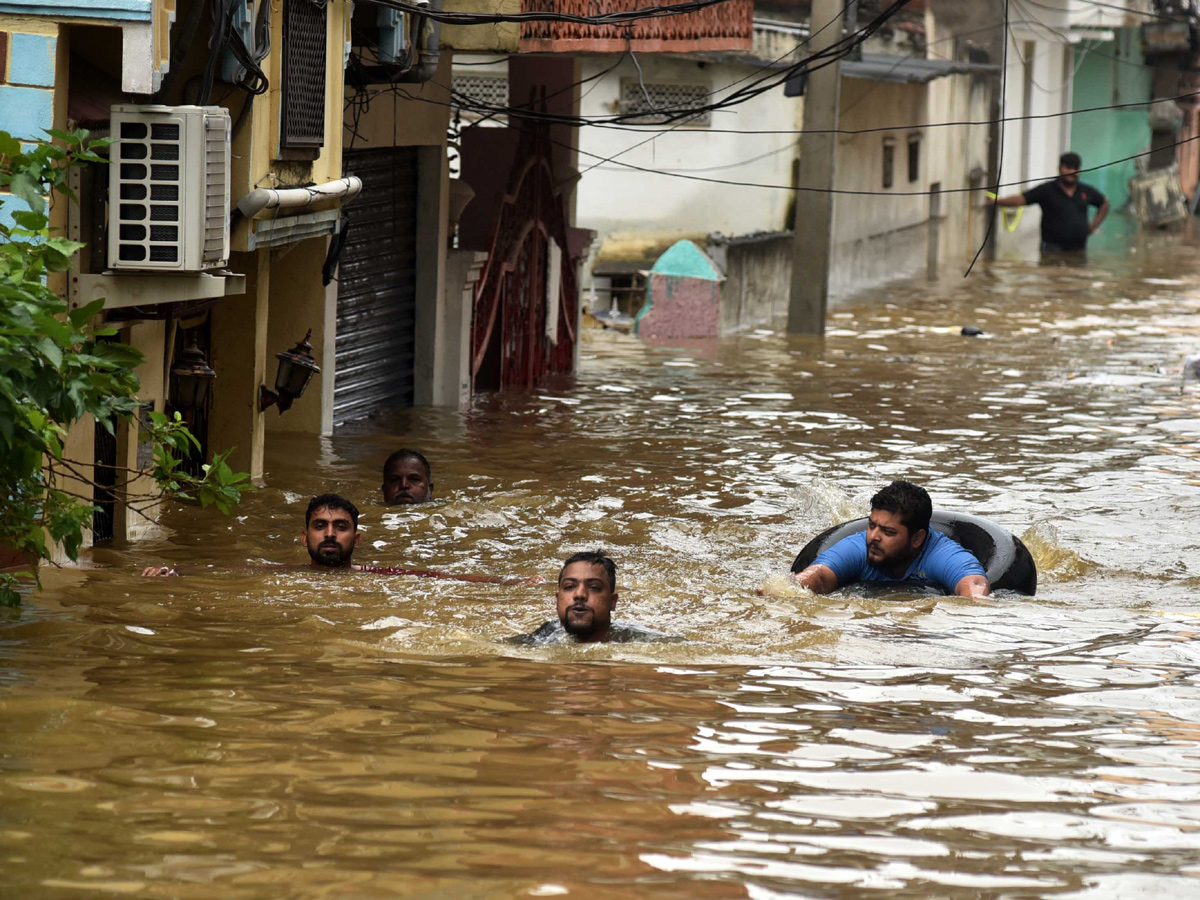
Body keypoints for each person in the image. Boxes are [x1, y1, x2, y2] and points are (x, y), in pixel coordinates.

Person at [142, 492, 540, 585]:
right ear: (304, 538)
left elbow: (439, 577)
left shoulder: (380, 573)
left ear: (357, 538)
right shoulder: (283, 573)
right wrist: (174, 571)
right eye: (320, 526)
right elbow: (231, 571)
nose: (330, 534)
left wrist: (515, 583)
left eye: (340, 527)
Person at [791, 481, 991, 599]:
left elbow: (973, 584)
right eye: (871, 525)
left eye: (888, 532)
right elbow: (820, 575)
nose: (873, 537)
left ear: (917, 538)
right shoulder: (857, 547)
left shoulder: (941, 554)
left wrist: (976, 602)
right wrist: (790, 588)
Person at [991, 151, 1109, 254]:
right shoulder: (1047, 190)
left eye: (1075, 168)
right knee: (1051, 276)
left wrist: (1092, 227)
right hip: (1052, 249)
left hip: (1078, 249)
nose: (1072, 171)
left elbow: (1104, 204)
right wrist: (995, 201)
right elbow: (1020, 199)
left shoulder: (1086, 191)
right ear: (1059, 168)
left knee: (1077, 277)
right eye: (1068, 167)